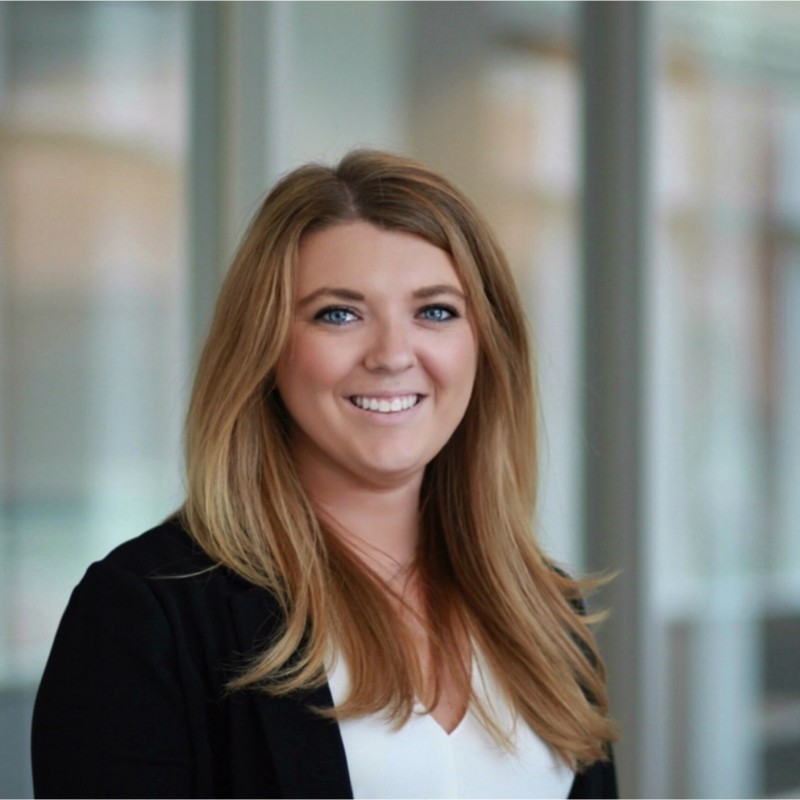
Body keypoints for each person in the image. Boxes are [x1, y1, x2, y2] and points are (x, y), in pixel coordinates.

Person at [31, 149, 618, 799]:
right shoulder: (146, 615)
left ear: (485, 345)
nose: (393, 355)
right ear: (266, 346)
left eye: (436, 311)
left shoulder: (545, 609)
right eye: (339, 313)